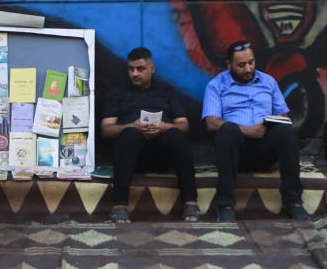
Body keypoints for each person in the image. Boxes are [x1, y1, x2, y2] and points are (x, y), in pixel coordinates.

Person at [202, 41, 308, 222]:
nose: (248, 69)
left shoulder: (268, 81)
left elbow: (284, 116)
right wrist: (246, 130)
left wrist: (270, 125)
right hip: (235, 151)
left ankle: (294, 202)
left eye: (251, 62)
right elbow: (211, 123)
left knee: (285, 131)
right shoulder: (216, 85)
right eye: (241, 65)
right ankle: (226, 204)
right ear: (229, 65)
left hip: (265, 148)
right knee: (226, 130)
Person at [101, 47, 200, 223]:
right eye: (131, 69)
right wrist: (132, 126)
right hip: (131, 157)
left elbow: (184, 125)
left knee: (177, 135)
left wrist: (164, 127)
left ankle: (190, 202)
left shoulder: (166, 92)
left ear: (152, 69)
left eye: (140, 69)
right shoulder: (118, 93)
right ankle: (119, 206)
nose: (135, 74)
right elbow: (106, 129)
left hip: (162, 155)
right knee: (129, 133)